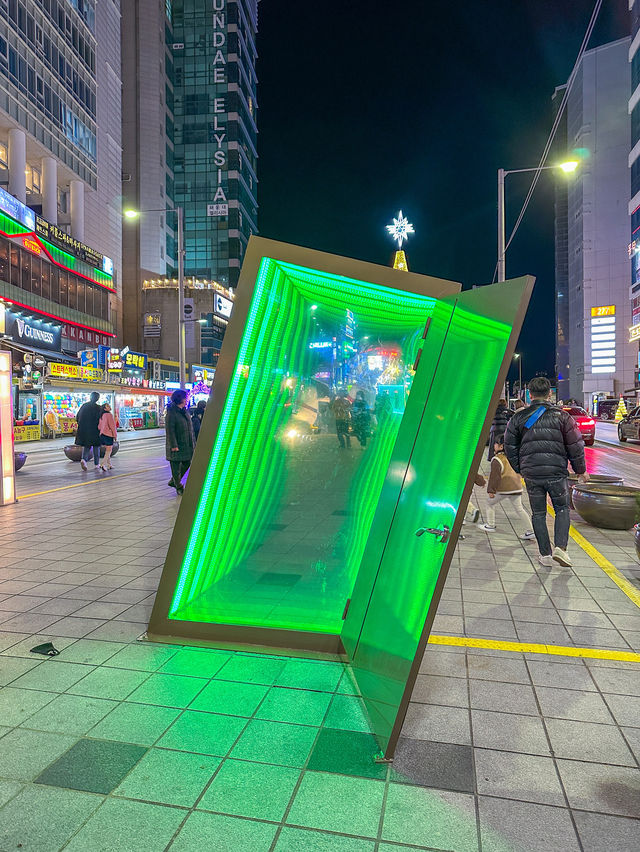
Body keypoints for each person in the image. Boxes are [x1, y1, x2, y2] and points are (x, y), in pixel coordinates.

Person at [504, 376, 588, 568]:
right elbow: (575, 445)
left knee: (539, 513)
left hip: (532, 474)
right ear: (549, 394)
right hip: (557, 472)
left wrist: (520, 468)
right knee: (561, 508)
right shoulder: (563, 417)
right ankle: (561, 548)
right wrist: (580, 470)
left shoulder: (518, 417)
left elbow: (509, 446)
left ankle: (545, 555)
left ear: (530, 395)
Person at [479, 433, 535, 540]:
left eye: (495, 443)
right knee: (519, 509)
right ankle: (531, 530)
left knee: (489, 503)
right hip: (517, 487)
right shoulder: (513, 457)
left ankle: (490, 525)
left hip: (505, 488)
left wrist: (491, 490)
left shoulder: (497, 459)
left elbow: (494, 477)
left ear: (501, 446)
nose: (494, 445)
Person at [165, 389, 195, 495]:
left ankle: (174, 481)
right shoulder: (171, 412)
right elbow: (170, 430)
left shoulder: (184, 411)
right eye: (185, 398)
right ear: (180, 399)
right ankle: (178, 486)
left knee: (187, 463)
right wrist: (173, 445)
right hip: (176, 444)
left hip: (186, 443)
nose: (187, 400)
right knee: (175, 466)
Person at [75, 391, 102, 472]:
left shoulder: (84, 406)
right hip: (95, 430)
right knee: (96, 447)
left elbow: (77, 417)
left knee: (86, 446)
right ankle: (97, 464)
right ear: (97, 399)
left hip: (85, 430)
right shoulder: (98, 408)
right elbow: (101, 420)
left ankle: (84, 459)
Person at [98, 402, 118, 472]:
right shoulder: (109, 415)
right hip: (108, 434)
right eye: (107, 406)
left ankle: (109, 464)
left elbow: (99, 426)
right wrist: (115, 435)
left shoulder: (102, 415)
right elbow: (112, 426)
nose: (109, 407)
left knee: (107, 450)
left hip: (102, 434)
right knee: (109, 450)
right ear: (105, 408)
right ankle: (103, 464)